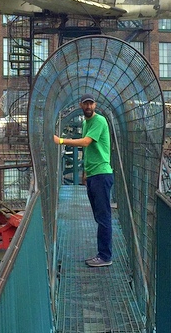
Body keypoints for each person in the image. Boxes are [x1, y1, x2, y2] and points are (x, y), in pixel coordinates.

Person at [54, 93, 114, 267]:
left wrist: (61, 141)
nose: (88, 107)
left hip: (102, 174)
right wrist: (86, 172)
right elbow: (90, 150)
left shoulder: (99, 121)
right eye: (85, 104)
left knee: (103, 217)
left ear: (95, 105)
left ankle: (105, 256)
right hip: (94, 174)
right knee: (99, 216)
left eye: (91, 104)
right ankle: (103, 254)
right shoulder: (85, 123)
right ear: (81, 105)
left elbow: (86, 143)